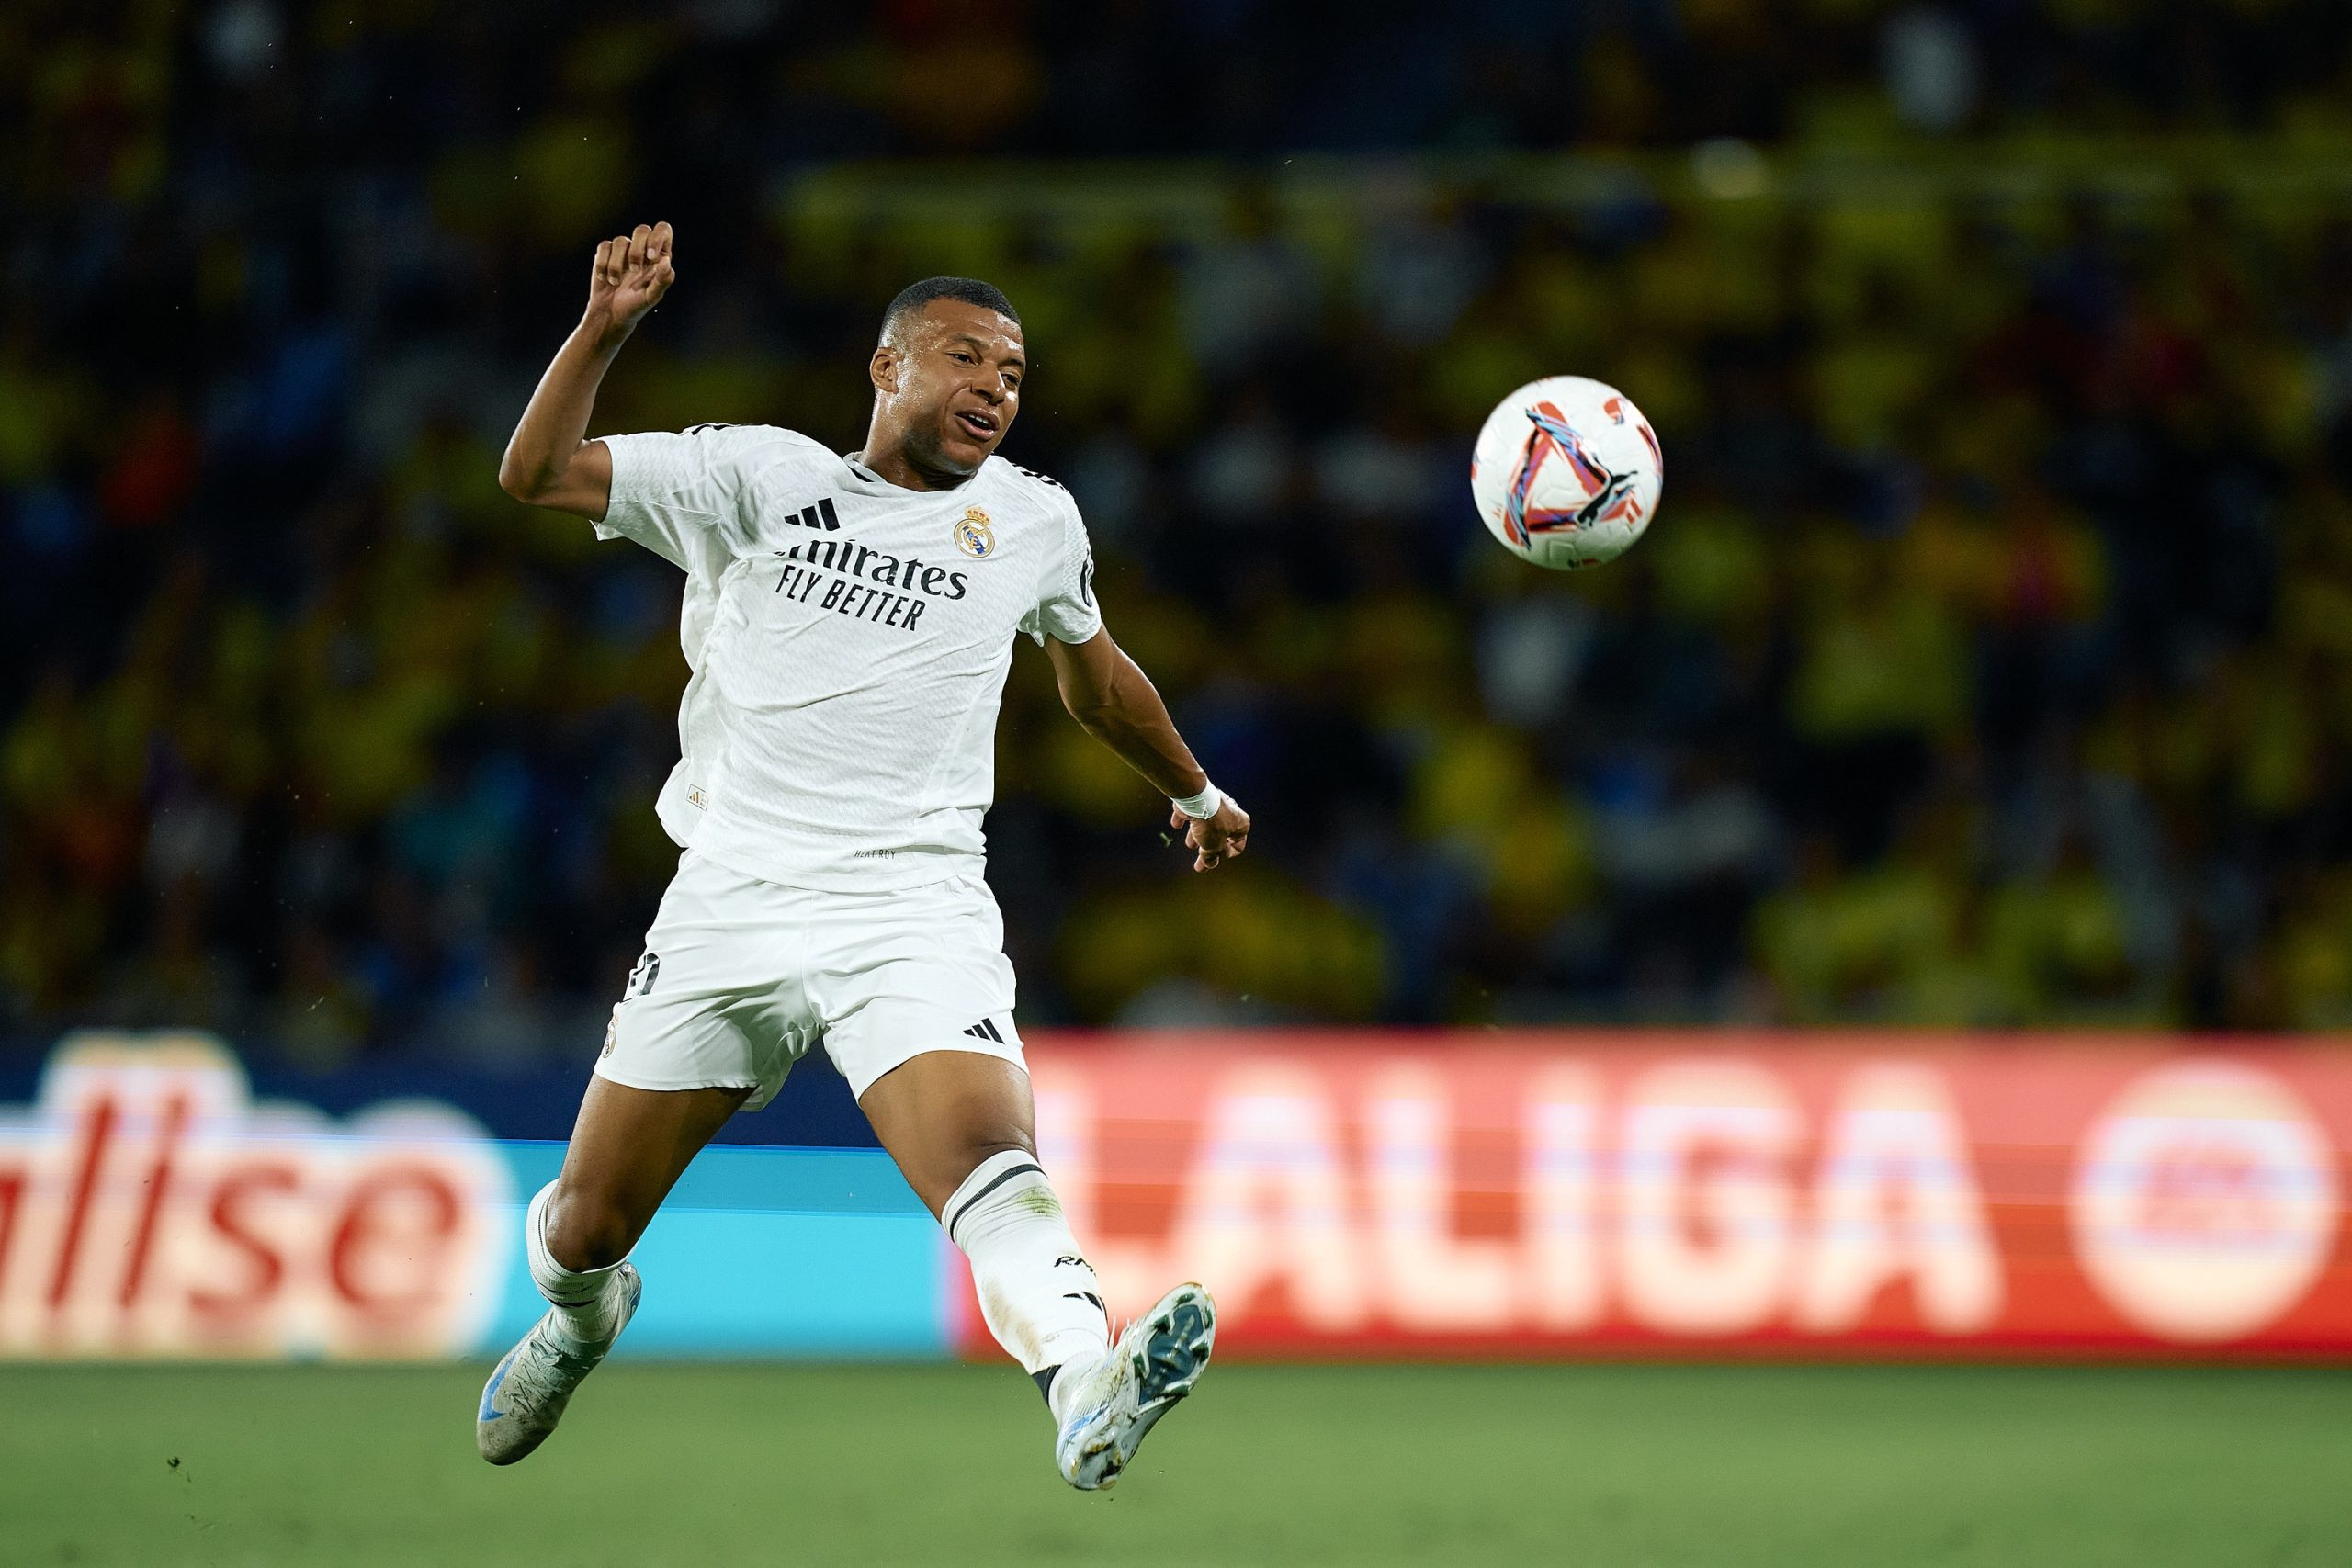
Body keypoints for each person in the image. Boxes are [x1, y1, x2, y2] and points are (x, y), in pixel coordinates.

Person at [479, 221, 1249, 1490]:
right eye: (965, 359)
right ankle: (577, 1320)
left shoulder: (1034, 523)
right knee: (585, 1227)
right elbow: (536, 475)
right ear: (886, 367)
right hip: (731, 896)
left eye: (1013, 372)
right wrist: (604, 329)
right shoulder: (754, 479)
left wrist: (1198, 787)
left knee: (993, 1167)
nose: (995, 388)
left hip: (911, 904)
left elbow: (1095, 684)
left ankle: (1085, 1378)